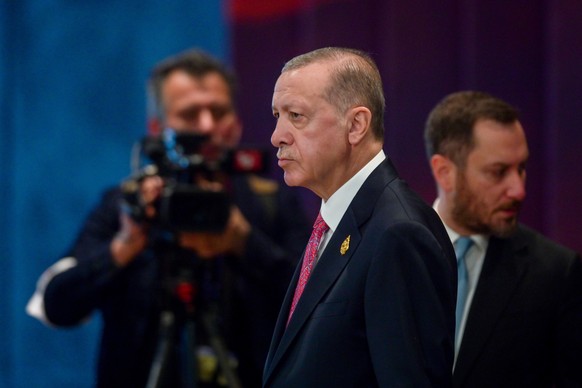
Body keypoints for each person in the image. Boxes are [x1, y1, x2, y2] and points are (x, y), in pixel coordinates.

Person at [26, 49, 311, 388]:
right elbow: (56, 306)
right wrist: (125, 246)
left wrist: (244, 243)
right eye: (190, 114)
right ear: (157, 128)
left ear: (235, 125)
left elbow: (317, 308)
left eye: (218, 112)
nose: (207, 126)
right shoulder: (127, 207)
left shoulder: (272, 204)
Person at [263, 47, 457, 387]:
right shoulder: (336, 221)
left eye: (296, 116)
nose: (277, 136)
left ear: (356, 125)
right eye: (277, 115)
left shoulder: (399, 232)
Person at [424, 90, 582, 387]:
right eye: (498, 172)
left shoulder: (555, 273)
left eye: (521, 169)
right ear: (444, 172)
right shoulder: (387, 251)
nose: (518, 190)